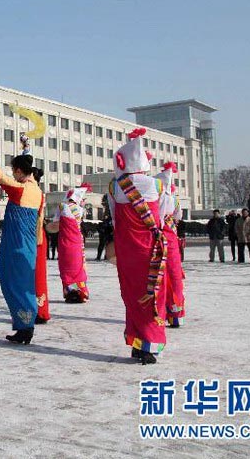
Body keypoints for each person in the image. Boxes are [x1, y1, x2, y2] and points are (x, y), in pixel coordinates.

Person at [107, 128, 167, 365]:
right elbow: (160, 218)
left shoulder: (115, 187)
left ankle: (137, 341)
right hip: (150, 248)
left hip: (127, 248)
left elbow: (114, 218)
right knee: (152, 294)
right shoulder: (157, 185)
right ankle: (150, 343)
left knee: (131, 294)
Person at [0, 139, 44, 345]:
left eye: (14, 171)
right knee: (19, 283)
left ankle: (26, 326)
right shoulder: (37, 191)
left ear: (18, 171)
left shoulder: (20, 189)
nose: (13, 175)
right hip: (26, 246)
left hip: (16, 246)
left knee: (13, 284)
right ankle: (23, 325)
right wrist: (26, 149)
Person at [156, 163, 185, 328]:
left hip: (160, 236)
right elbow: (178, 217)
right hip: (172, 237)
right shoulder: (174, 199)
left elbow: (157, 218)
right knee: (174, 274)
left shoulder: (159, 197)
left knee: (160, 275)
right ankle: (176, 313)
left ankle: (161, 311)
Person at [54, 184, 91, 304]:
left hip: (64, 242)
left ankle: (69, 291)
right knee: (77, 267)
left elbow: (55, 222)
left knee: (66, 267)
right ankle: (80, 291)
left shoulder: (61, 206)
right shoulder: (78, 209)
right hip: (76, 242)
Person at [33, 170, 50, 324]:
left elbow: (38, 218)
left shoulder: (36, 193)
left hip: (35, 237)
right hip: (31, 236)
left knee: (37, 274)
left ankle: (40, 310)